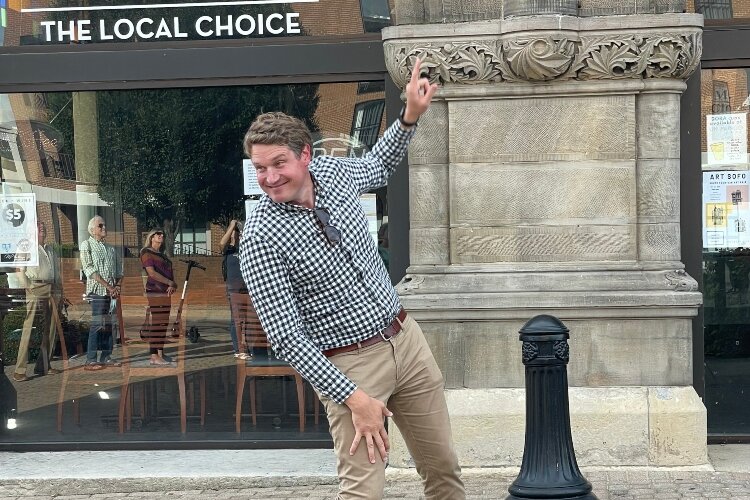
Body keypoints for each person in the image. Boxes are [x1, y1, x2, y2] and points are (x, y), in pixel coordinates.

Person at [239, 60, 464, 499]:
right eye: (260, 168)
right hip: (351, 366)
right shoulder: (260, 236)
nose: (268, 178)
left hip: (406, 340)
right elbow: (287, 339)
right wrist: (354, 398)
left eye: (278, 163)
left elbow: (378, 166)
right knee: (364, 492)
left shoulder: (335, 174)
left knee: (444, 473)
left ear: (306, 154)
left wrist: (410, 115)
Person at [12, 221, 62, 382]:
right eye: (38, 227)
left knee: (50, 328)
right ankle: (20, 369)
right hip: (36, 287)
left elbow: (57, 272)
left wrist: (61, 291)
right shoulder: (26, 246)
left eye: (43, 227)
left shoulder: (50, 249)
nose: (42, 229)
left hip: (52, 289)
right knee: (29, 326)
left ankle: (44, 366)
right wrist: (29, 287)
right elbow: (19, 269)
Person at [79, 215, 123, 371]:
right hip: (97, 291)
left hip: (111, 293)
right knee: (97, 324)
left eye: (104, 225)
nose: (104, 228)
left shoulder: (110, 248)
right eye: (100, 226)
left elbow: (119, 270)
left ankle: (106, 356)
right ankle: (90, 359)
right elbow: (89, 270)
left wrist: (116, 286)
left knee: (110, 325)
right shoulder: (87, 245)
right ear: (92, 230)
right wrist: (108, 286)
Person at [140, 229, 177, 365]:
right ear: (151, 237)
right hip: (155, 292)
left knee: (164, 322)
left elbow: (170, 274)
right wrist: (169, 282)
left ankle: (161, 352)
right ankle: (153, 355)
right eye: (158, 234)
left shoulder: (163, 256)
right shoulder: (146, 252)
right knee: (156, 322)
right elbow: (152, 273)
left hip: (165, 293)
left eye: (162, 234)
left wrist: (172, 285)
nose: (161, 236)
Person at [219, 219, 247, 358]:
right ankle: (238, 349)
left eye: (239, 233)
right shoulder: (229, 250)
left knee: (249, 320)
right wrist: (231, 226)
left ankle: (249, 348)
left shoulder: (246, 247)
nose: (237, 235)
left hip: (248, 288)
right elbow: (221, 243)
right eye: (234, 234)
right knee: (236, 319)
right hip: (234, 289)